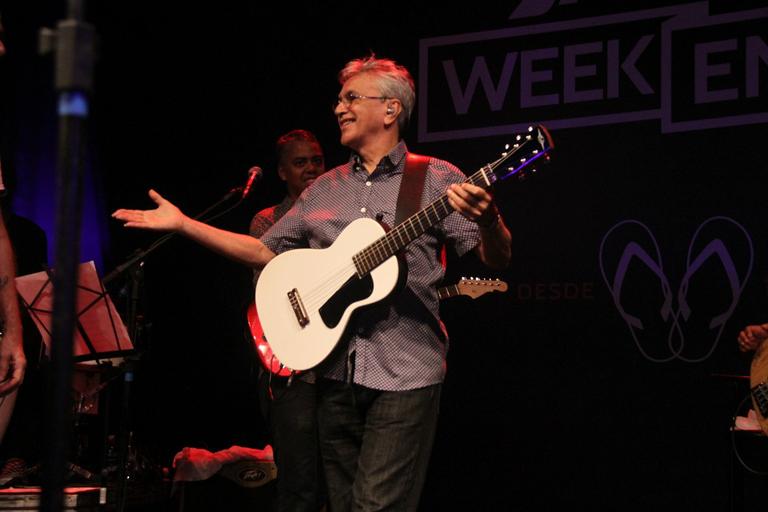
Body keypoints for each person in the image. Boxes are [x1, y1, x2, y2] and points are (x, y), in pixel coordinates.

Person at [113, 53, 511, 510]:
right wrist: (184, 225)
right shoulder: (324, 187)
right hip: (335, 373)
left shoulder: (437, 177)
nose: (338, 108)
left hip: (405, 373)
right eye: (339, 99)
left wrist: (491, 218)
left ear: (390, 110)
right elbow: (265, 250)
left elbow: (495, 258)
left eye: (351, 98)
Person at [250, 129, 326, 512]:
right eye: (301, 163)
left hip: (335, 365)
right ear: (282, 173)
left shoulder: (340, 213)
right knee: (299, 485)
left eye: (317, 161)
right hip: (291, 369)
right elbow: (271, 289)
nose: (312, 169)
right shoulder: (268, 221)